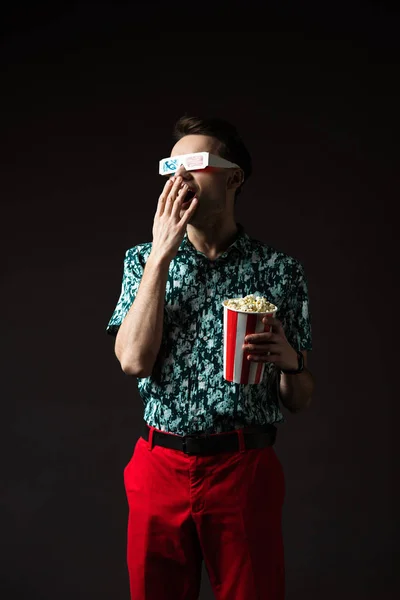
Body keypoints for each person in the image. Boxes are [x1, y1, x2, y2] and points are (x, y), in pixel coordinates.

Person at [106, 115, 314, 600]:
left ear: (234, 177)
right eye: (170, 167)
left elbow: (299, 398)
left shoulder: (279, 271)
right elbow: (133, 360)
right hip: (160, 466)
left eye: (194, 164)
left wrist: (291, 362)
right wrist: (161, 255)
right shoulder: (142, 260)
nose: (179, 178)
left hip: (244, 468)